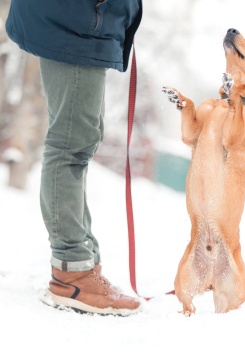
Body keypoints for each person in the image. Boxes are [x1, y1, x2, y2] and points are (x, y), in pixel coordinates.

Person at [5, 0, 143, 316]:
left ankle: (83, 262)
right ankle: (72, 273)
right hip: (76, 22)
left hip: (84, 22)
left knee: (80, 142)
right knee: (70, 145)